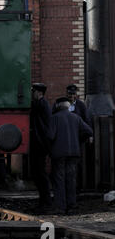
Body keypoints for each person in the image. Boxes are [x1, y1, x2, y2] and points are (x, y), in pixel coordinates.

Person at [48, 97, 93, 215]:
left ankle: (60, 207)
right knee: (71, 180)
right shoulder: (76, 118)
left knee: (59, 180)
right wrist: (78, 140)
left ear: (57, 106)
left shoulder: (54, 118)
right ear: (68, 107)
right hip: (74, 153)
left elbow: (50, 136)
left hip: (59, 154)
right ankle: (72, 206)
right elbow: (89, 131)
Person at [30, 83, 52, 212]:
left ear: (38, 93)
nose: (31, 94)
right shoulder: (42, 104)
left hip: (40, 143)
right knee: (38, 173)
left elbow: (32, 108)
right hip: (39, 143)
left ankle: (46, 202)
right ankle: (43, 201)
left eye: (32, 92)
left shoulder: (41, 104)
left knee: (40, 173)